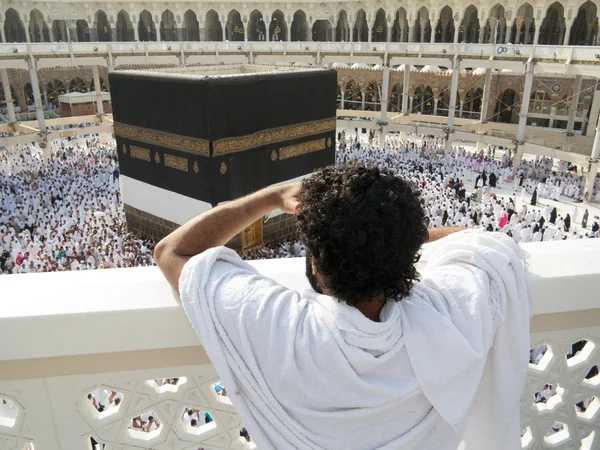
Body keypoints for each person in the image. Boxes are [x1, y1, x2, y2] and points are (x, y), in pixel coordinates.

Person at [155, 164, 532, 450]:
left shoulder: (280, 328)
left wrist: (273, 196)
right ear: (409, 257)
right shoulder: (450, 318)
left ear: (316, 262)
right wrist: (393, 238)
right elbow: (481, 241)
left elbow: (172, 251)